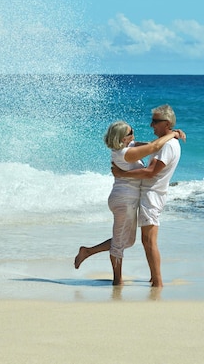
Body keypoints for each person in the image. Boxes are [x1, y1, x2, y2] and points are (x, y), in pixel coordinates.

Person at [74, 118, 184, 285]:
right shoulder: (125, 153)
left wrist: (170, 135)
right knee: (119, 242)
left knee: (128, 241)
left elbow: (153, 143)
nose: (134, 133)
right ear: (122, 138)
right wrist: (174, 133)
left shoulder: (129, 147)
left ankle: (88, 251)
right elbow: (154, 147)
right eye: (130, 133)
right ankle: (117, 281)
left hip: (127, 199)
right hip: (123, 199)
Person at [111, 104, 182, 288]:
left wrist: (123, 174)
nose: (151, 125)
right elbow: (151, 146)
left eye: (155, 122)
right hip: (148, 194)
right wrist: (172, 133)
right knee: (142, 240)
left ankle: (157, 282)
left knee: (148, 241)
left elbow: (150, 172)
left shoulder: (167, 146)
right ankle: (154, 279)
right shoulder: (163, 143)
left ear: (166, 123)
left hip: (152, 195)